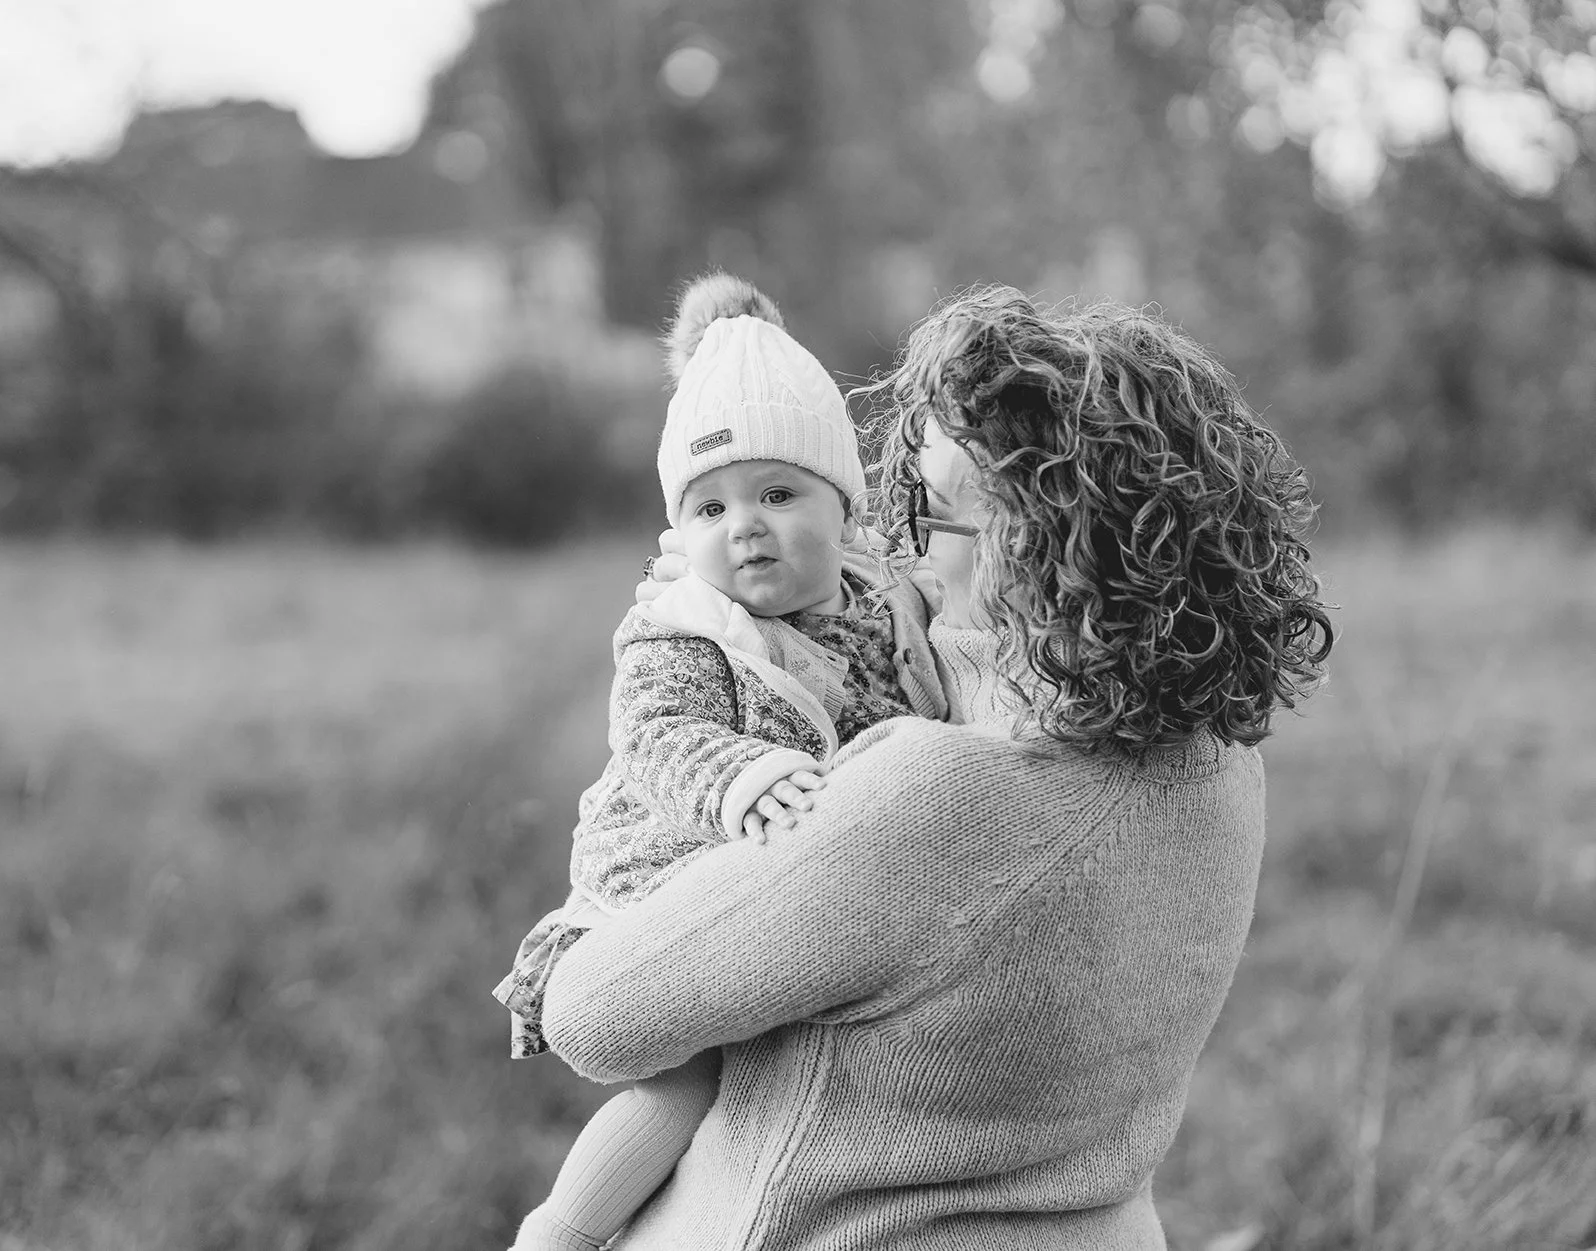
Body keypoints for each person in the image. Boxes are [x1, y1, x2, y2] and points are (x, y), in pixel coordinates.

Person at [538, 284, 1334, 1248]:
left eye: (936, 515)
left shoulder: (934, 800)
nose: (907, 547)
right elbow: (965, 655)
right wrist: (755, 625)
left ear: (1034, 551)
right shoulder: (1216, 758)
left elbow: (592, 1012)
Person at [494, 274, 950, 1251]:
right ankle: (563, 1231)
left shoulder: (885, 599)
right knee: (688, 1078)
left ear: (843, 506)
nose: (742, 525)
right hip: (670, 864)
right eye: (708, 508)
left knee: (781, 1069)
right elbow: (658, 739)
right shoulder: (686, 629)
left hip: (807, 871)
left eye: (777, 493)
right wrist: (739, 775)